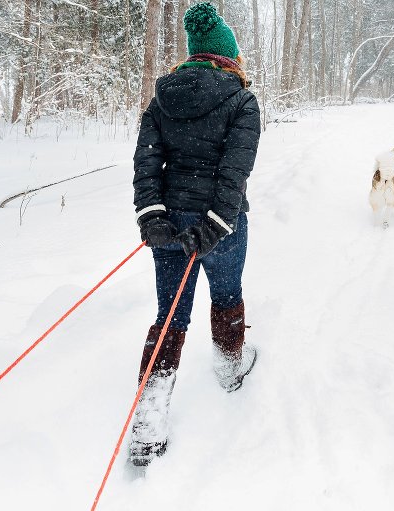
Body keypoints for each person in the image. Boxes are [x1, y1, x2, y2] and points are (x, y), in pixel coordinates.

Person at [129, 2, 261, 465]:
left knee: (170, 314)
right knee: (226, 295)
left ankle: (149, 418)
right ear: (227, 56)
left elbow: (147, 162)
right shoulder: (241, 99)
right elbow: (235, 173)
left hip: (171, 228)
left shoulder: (161, 96)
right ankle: (230, 368)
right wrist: (216, 226)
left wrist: (152, 216)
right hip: (220, 228)